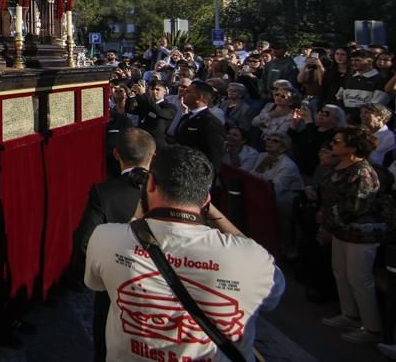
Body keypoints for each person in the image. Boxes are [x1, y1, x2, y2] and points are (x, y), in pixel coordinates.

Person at [84, 146, 284, 361]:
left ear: (149, 185)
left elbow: (96, 283)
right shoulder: (252, 258)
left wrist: (138, 215)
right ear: (206, 198)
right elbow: (273, 293)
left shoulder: (106, 238)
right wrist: (214, 212)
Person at [72, 127, 155, 361]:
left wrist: (98, 277)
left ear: (116, 154)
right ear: (153, 155)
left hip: (116, 287)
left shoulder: (104, 191)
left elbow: (84, 241)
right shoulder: (171, 189)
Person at [319, 126, 385, 344]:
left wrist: (328, 221)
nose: (333, 145)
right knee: (341, 273)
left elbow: (357, 205)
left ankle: (372, 329)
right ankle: (349, 315)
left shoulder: (362, 171)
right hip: (341, 231)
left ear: (352, 147)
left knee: (360, 279)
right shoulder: (339, 166)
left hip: (360, 234)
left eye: (338, 142)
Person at [174, 81, 226, 168]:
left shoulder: (210, 123)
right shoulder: (187, 117)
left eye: (188, 91)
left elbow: (214, 158)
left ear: (199, 97)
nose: (183, 93)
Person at [130, 79, 176, 149]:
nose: (154, 92)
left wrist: (143, 95)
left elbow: (159, 112)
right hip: (141, 142)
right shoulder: (146, 103)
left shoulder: (170, 107)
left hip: (157, 145)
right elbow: (130, 110)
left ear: (165, 91)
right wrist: (132, 95)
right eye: (152, 89)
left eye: (157, 89)